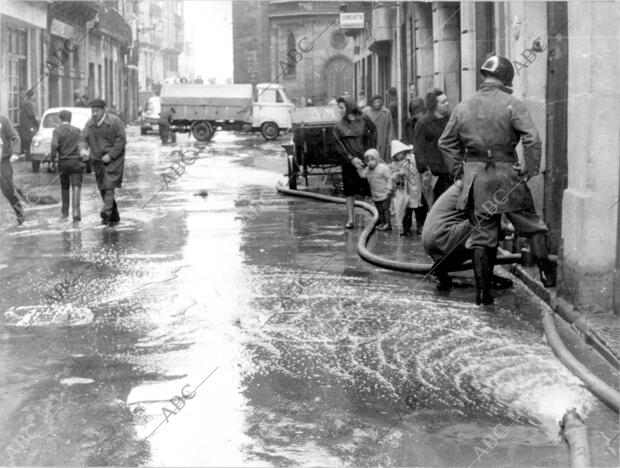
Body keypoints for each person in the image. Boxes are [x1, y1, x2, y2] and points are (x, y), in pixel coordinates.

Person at [439, 55, 557, 305]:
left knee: (482, 235)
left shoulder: (463, 106)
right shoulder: (513, 103)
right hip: (507, 174)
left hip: (475, 178)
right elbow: (532, 139)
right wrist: (529, 169)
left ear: (484, 76)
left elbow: (446, 143)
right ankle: (548, 276)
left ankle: (482, 294)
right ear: (505, 78)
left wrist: (460, 171)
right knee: (531, 225)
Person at [421, 184, 513, 291]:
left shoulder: (467, 181)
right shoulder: (475, 185)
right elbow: (484, 219)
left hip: (436, 238)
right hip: (442, 235)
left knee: (480, 234)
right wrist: (509, 228)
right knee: (488, 227)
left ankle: (441, 268)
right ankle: (487, 277)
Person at [80, 98, 126, 226]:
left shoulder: (115, 121)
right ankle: (114, 215)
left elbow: (121, 141)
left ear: (104, 110)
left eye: (97, 111)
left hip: (114, 160)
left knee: (109, 185)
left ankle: (105, 213)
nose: (94, 114)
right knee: (102, 188)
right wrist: (83, 149)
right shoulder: (90, 124)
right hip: (97, 161)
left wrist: (111, 155)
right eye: (92, 111)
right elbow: (83, 138)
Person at [333, 96, 376, 229]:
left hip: (365, 161)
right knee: (349, 191)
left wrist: (371, 153)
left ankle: (371, 219)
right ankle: (351, 219)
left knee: (369, 189)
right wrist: (351, 159)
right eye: (338, 107)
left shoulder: (364, 119)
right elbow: (339, 145)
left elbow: (373, 132)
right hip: (349, 163)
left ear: (349, 107)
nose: (339, 110)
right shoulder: (338, 125)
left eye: (342, 107)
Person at [414, 89, 452, 203]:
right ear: (435, 105)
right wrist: (424, 170)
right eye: (443, 102)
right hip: (434, 176)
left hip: (451, 173)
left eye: (447, 100)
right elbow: (418, 149)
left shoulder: (451, 120)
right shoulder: (423, 123)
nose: (447, 103)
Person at [50, 110, 86, 221]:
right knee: (76, 185)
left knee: (64, 186)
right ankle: (76, 212)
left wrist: (52, 160)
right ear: (70, 119)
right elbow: (82, 145)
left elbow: (54, 146)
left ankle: (65, 213)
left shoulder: (57, 131)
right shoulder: (77, 130)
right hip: (76, 163)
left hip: (63, 163)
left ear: (60, 119)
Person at [355, 148, 393, 231]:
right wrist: (359, 169)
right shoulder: (368, 169)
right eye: (368, 161)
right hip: (375, 194)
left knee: (385, 209)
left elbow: (389, 179)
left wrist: (389, 189)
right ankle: (381, 222)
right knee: (379, 210)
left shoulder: (383, 168)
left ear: (377, 158)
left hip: (385, 193)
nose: (370, 162)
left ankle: (388, 224)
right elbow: (363, 176)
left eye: (372, 160)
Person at [389, 140, 422, 236]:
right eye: (397, 154)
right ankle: (405, 228)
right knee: (405, 210)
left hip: (415, 188)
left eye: (401, 153)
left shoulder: (411, 160)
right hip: (403, 191)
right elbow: (392, 177)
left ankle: (420, 226)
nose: (399, 155)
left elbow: (415, 171)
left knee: (418, 209)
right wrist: (398, 174)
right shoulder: (393, 165)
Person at [0, 113, 23, 224]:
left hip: (3, 162)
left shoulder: (3, 120)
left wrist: (15, 153)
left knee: (8, 191)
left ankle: (20, 213)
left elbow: (15, 138)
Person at [362, 94, 393, 163]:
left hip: (382, 137)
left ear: (381, 103)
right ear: (371, 103)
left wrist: (390, 140)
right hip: (369, 137)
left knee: (381, 155)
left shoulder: (386, 112)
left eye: (378, 102)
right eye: (375, 102)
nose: (376, 104)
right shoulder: (366, 111)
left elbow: (390, 127)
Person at [18, 89, 38, 160]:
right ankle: (28, 156)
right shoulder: (29, 103)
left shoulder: (26, 102)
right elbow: (31, 114)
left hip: (25, 125)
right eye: (34, 95)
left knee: (25, 141)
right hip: (28, 125)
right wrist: (36, 121)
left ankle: (24, 154)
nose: (35, 96)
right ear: (31, 96)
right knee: (29, 141)